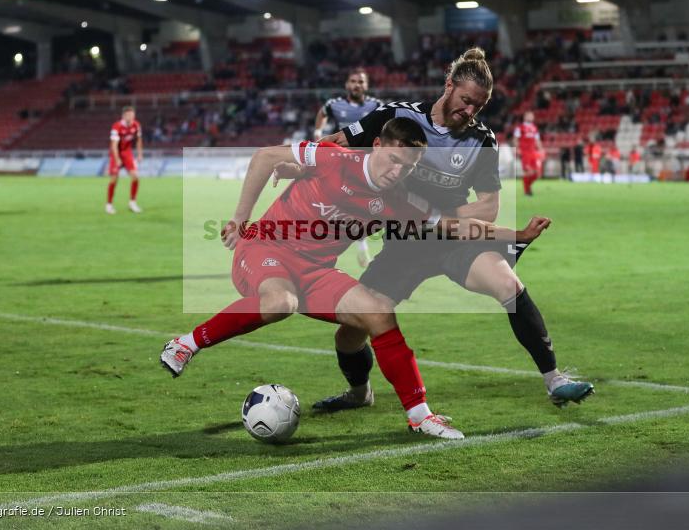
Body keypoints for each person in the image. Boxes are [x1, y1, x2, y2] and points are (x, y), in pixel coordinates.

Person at [160, 118, 552, 439]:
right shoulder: (334, 157)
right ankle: (185, 344)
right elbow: (264, 157)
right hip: (265, 251)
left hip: (315, 272)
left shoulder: (397, 201)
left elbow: (454, 226)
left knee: (379, 311)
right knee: (281, 302)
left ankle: (420, 415)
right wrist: (240, 218)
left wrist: (516, 235)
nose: (397, 172)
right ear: (377, 145)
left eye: (408, 168)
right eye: (394, 160)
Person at [316, 48, 594, 412]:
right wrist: (301, 163)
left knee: (506, 282)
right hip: (404, 245)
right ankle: (359, 392)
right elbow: (334, 145)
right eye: (465, 101)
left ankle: (555, 379)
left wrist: (431, 216)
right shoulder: (396, 116)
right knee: (350, 333)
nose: (469, 112)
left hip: (454, 240)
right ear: (449, 85)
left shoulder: (481, 139)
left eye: (477, 106)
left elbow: (489, 207)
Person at [314, 68, 383, 267]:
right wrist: (318, 132)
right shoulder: (334, 104)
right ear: (347, 85)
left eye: (361, 82)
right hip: (341, 162)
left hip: (367, 162)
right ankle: (345, 245)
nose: (356, 85)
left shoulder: (376, 105)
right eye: (353, 81)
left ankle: (360, 241)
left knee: (365, 205)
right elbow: (322, 113)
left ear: (366, 85)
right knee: (335, 204)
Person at [106, 106, 143, 214]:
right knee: (114, 178)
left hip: (127, 153)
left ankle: (132, 202)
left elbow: (139, 140)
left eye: (132, 115)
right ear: (123, 116)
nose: (130, 117)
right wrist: (117, 159)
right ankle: (109, 204)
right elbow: (114, 145)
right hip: (116, 153)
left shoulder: (136, 125)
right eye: (128, 115)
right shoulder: (117, 126)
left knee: (135, 176)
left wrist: (140, 154)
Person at [513, 111, 545, 196]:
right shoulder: (520, 127)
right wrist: (517, 149)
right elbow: (515, 139)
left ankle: (527, 186)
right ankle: (527, 190)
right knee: (529, 172)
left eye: (532, 116)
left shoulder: (534, 128)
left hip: (533, 152)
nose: (531, 117)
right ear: (525, 117)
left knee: (537, 174)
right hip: (525, 152)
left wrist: (541, 150)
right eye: (529, 115)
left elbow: (537, 140)